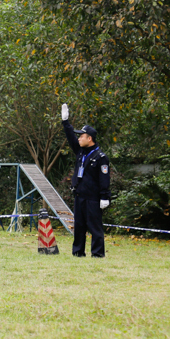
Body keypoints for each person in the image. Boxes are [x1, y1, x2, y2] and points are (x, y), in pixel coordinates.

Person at [61, 103, 111, 258]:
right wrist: (65, 122)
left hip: (93, 198)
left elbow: (104, 178)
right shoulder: (81, 152)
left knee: (95, 227)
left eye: (81, 136)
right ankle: (78, 252)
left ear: (90, 138)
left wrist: (105, 196)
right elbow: (71, 138)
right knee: (79, 226)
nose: (79, 138)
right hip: (79, 196)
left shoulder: (101, 157)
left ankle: (97, 254)